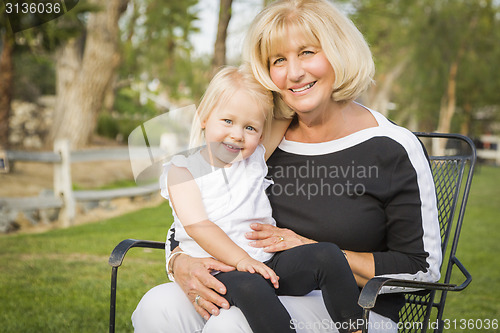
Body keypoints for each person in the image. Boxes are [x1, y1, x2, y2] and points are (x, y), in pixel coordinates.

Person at [132, 0, 442, 332]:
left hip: (357, 308)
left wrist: (316, 250)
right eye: (279, 60)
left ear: (339, 52)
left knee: (233, 324)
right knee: (157, 306)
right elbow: (197, 213)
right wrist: (179, 261)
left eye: (307, 52)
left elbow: (421, 268)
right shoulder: (257, 143)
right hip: (262, 281)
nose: (294, 72)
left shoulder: (392, 148)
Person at [162, 65, 363, 333]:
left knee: (328, 254)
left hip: (267, 261)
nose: (237, 134)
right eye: (227, 121)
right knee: (251, 285)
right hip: (220, 269)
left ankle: (355, 328)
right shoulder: (182, 170)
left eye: (250, 127)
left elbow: (287, 105)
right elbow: (199, 226)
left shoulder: (254, 157)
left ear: (260, 133)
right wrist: (242, 260)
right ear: (203, 117)